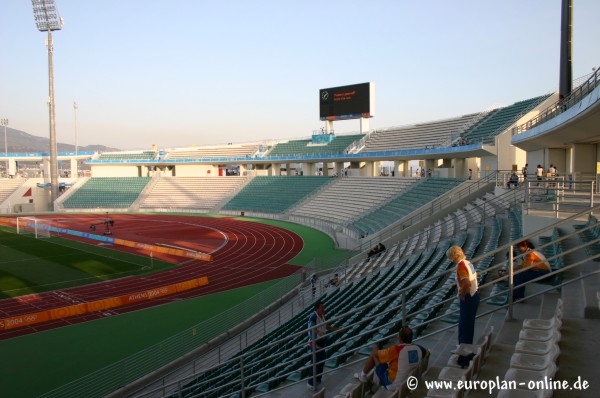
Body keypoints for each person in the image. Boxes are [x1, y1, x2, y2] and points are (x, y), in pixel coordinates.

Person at [355, 326, 427, 391]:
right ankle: (374, 381)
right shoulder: (419, 349)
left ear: (400, 339)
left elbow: (376, 353)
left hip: (391, 384)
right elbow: (428, 353)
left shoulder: (397, 350)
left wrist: (375, 347)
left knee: (375, 352)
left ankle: (363, 375)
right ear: (412, 338)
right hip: (406, 380)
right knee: (386, 360)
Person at [446, 245, 479, 344]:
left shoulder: (461, 266)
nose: (451, 260)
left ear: (454, 257)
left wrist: (462, 294)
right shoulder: (468, 263)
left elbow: (466, 283)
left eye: (451, 258)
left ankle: (464, 351)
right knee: (468, 324)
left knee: (465, 325)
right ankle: (466, 347)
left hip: (469, 297)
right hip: (475, 294)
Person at [307, 301, 338, 388]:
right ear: (316, 308)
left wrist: (336, 329)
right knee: (315, 362)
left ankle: (317, 380)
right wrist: (318, 332)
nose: (323, 309)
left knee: (321, 361)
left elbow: (326, 326)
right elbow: (311, 327)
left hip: (322, 341)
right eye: (321, 307)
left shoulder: (323, 315)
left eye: (323, 307)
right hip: (314, 343)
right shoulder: (313, 317)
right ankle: (310, 382)